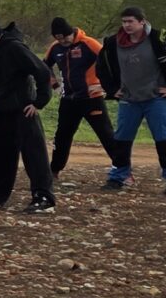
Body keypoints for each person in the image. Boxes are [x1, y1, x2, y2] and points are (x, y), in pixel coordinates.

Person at [96, 6, 166, 195]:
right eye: (124, 21)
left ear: (142, 22)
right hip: (129, 99)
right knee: (121, 140)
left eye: (130, 21)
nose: (126, 25)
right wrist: (112, 90)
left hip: (156, 99)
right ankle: (117, 177)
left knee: (164, 139)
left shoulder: (158, 39)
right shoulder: (113, 43)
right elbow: (100, 67)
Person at [0, 16, 56, 214]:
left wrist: (39, 101)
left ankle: (43, 197)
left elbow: (42, 72)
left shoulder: (15, 48)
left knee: (34, 154)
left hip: (23, 108)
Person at [43, 17, 126, 182]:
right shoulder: (55, 47)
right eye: (59, 39)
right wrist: (55, 85)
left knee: (106, 135)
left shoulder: (89, 43)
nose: (63, 41)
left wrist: (105, 86)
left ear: (71, 32)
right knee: (62, 136)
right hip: (69, 100)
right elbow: (45, 66)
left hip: (92, 98)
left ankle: (123, 170)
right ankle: (54, 171)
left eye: (65, 37)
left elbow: (111, 62)